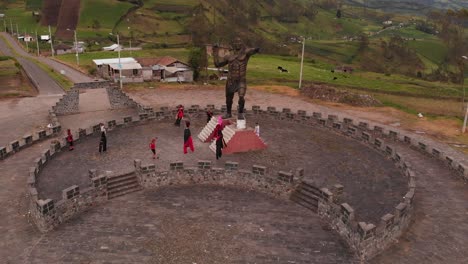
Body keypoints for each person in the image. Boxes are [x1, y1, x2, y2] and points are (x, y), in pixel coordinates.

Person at [213, 37, 260, 119]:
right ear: (233, 45)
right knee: (228, 99)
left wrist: (254, 48)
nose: (237, 44)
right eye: (235, 42)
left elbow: (255, 50)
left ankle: (241, 113)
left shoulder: (245, 53)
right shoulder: (228, 56)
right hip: (230, 81)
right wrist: (215, 51)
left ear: (241, 44)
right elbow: (217, 64)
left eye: (239, 42)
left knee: (241, 96)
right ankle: (228, 113)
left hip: (241, 81)